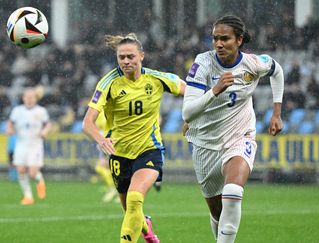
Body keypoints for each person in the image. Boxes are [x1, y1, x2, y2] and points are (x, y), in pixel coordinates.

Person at [182, 15, 284, 243]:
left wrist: (276, 113)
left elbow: (277, 71)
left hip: (240, 136)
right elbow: (187, 113)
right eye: (215, 39)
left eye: (225, 39)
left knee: (233, 191)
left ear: (239, 40)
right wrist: (214, 90)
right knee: (217, 212)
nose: (218, 44)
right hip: (204, 143)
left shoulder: (253, 63)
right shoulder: (203, 64)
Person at [82, 33, 186, 243]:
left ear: (142, 56)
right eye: (122, 58)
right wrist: (101, 139)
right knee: (130, 210)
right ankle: (146, 228)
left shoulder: (157, 79)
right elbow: (87, 123)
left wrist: (191, 118)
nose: (126, 61)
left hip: (149, 149)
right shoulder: (108, 83)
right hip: (119, 153)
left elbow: (192, 93)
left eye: (131, 56)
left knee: (135, 198)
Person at [7, 88, 51, 205]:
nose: (29, 99)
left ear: (36, 98)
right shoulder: (17, 110)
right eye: (27, 97)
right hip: (21, 144)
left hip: (35, 145)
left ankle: (39, 180)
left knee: (32, 172)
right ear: (23, 98)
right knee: (20, 170)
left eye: (32, 97)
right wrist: (10, 129)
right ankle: (28, 197)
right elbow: (10, 122)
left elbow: (47, 124)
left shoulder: (41, 111)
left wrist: (45, 132)